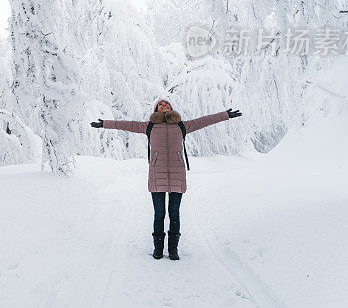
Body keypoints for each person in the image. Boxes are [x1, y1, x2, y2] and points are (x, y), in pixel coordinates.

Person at [90, 99, 242, 260]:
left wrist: (225, 115)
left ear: (171, 108)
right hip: (157, 174)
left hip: (177, 173)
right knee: (159, 213)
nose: (164, 106)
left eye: (166, 104)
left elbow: (204, 121)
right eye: (160, 105)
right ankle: (158, 249)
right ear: (156, 108)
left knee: (174, 213)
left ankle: (173, 250)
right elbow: (127, 125)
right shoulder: (149, 126)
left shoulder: (182, 125)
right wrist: (104, 123)